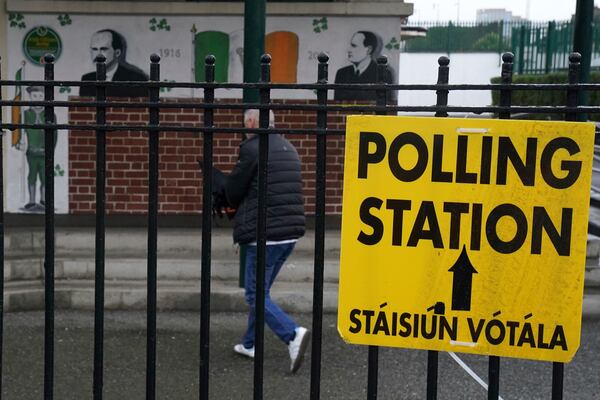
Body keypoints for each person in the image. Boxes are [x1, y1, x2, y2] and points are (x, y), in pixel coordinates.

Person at [222, 109, 310, 374]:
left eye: (244, 123)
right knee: (261, 292)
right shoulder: (288, 147)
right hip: (289, 234)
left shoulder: (252, 148)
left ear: (250, 122)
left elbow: (233, 192)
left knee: (254, 294)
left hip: (265, 235)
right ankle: (250, 343)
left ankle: (292, 334)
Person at [14, 86, 57, 211]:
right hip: (31, 152)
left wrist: (50, 149)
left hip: (45, 152)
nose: (37, 99)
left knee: (45, 176)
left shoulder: (50, 114)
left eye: (40, 96)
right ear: (30, 97)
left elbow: (54, 135)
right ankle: (31, 201)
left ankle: (43, 199)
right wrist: (19, 142)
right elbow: (19, 131)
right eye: (34, 96)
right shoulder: (26, 114)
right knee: (32, 175)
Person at [80, 29, 148, 97]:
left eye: (103, 49)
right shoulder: (87, 79)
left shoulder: (136, 79)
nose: (98, 54)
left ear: (117, 53)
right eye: (94, 49)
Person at [333, 30, 395, 101]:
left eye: (354, 46)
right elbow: (337, 104)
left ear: (368, 50)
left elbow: (383, 104)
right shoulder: (342, 73)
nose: (349, 50)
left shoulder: (384, 74)